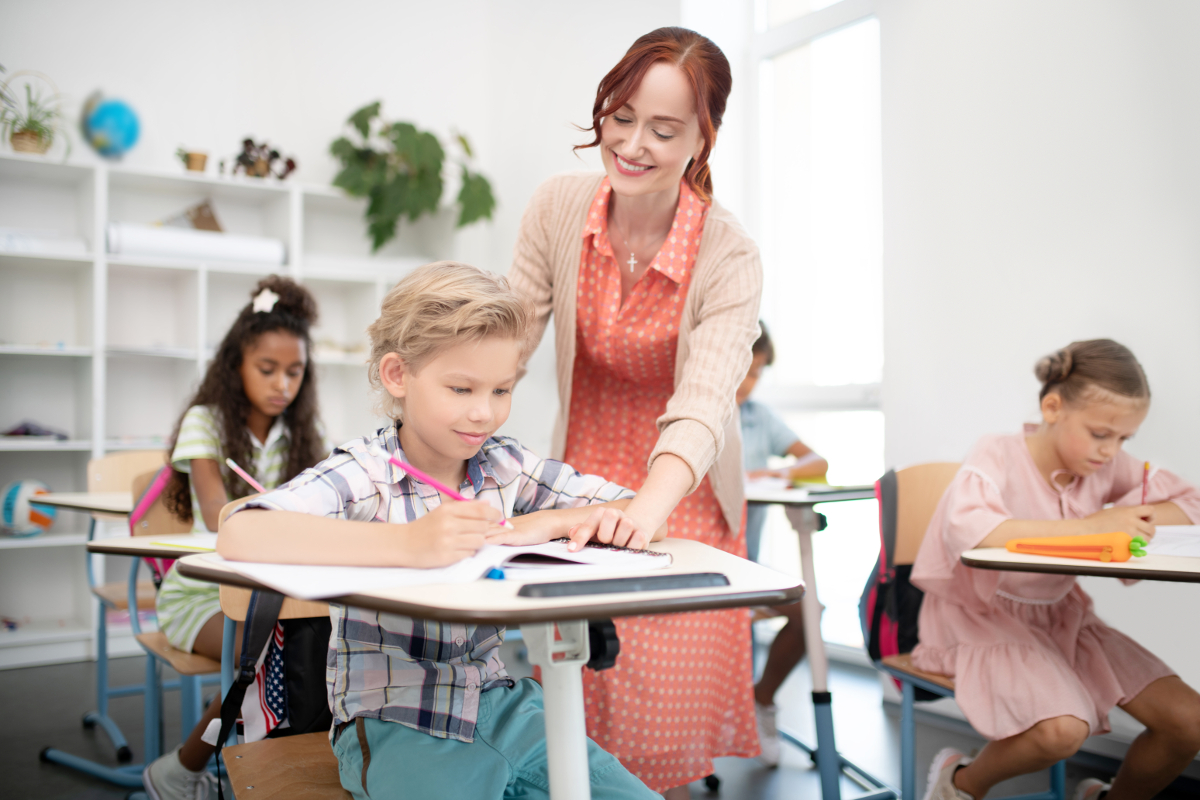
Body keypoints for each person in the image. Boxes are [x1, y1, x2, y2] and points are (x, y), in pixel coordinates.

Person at [218, 262, 663, 800]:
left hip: (505, 707)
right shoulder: (366, 471)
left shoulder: (503, 464)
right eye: (461, 388)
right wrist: (409, 544)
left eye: (502, 390)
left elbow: (634, 507)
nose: (484, 413)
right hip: (398, 723)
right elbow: (242, 531)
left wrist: (540, 522)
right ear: (398, 375)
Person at [507, 26, 763, 796]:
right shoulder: (559, 208)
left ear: (702, 138)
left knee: (657, 729)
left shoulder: (728, 255)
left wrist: (645, 514)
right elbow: (505, 341)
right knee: (578, 723)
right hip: (577, 485)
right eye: (621, 116)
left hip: (676, 498)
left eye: (664, 128)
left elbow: (705, 402)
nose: (632, 143)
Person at [912, 339, 1200, 800]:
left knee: (1188, 723)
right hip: (979, 619)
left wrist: (1131, 514)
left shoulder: (1104, 467)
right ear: (1052, 407)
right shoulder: (998, 453)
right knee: (1062, 731)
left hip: (1063, 618)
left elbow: (1190, 502)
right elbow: (971, 529)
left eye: (1124, 439)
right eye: (1101, 433)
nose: (1111, 451)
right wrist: (1092, 527)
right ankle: (957, 782)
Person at [142, 275, 327, 800]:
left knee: (310, 645)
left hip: (268, 592)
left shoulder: (302, 436)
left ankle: (260, 760)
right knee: (265, 652)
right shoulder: (206, 423)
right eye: (267, 370)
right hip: (200, 594)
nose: (281, 385)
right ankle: (183, 768)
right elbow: (217, 515)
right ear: (236, 366)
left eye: (294, 372)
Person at [736, 321, 827, 766]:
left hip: (745, 572)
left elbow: (816, 460)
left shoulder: (757, 415)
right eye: (744, 370)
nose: (748, 383)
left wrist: (777, 473)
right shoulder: (694, 412)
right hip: (701, 566)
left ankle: (761, 699)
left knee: (810, 610)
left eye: (757, 373)